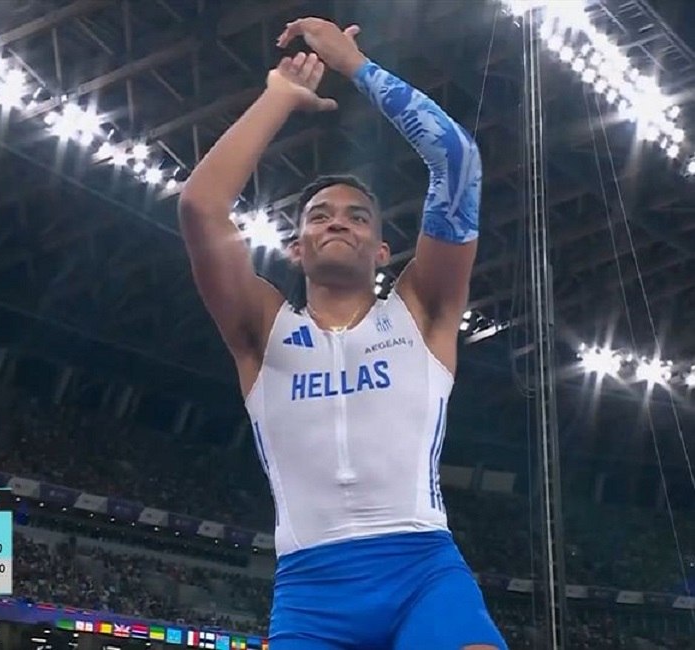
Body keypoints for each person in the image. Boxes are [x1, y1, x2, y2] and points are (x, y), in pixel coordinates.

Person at [178, 16, 503, 650]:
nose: (338, 223)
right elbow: (200, 207)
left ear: (382, 251)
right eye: (319, 216)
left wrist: (355, 66)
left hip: (423, 573)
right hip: (312, 592)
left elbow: (457, 160)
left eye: (357, 217)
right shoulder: (260, 329)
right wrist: (279, 96)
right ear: (296, 247)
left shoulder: (422, 311)